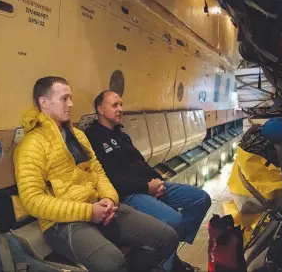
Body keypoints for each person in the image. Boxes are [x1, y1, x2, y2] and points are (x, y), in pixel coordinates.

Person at [13, 77, 179, 272]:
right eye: (65, 99)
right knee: (112, 262)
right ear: (44, 102)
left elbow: (98, 172)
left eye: (71, 98)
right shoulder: (31, 145)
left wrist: (110, 198)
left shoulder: (78, 136)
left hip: (100, 207)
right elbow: (33, 200)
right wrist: (88, 212)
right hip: (63, 223)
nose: (71, 104)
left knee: (167, 237)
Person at [85, 90, 212, 272]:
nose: (120, 109)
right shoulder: (94, 138)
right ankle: (167, 263)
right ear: (100, 109)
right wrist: (146, 187)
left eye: (121, 104)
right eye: (115, 105)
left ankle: (168, 251)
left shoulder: (122, 135)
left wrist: (158, 181)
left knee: (201, 199)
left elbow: (140, 163)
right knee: (174, 220)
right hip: (130, 193)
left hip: (150, 185)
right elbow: (111, 179)